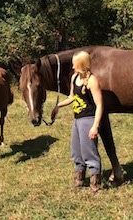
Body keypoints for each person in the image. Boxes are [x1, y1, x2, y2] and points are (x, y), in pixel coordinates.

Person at [51, 50, 104, 193]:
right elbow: (72, 97)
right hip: (77, 120)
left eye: (75, 64)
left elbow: (100, 105)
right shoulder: (75, 77)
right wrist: (58, 105)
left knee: (89, 152)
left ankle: (95, 183)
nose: (72, 67)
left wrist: (95, 126)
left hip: (88, 119)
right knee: (76, 151)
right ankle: (79, 179)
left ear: (81, 64)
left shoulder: (92, 81)